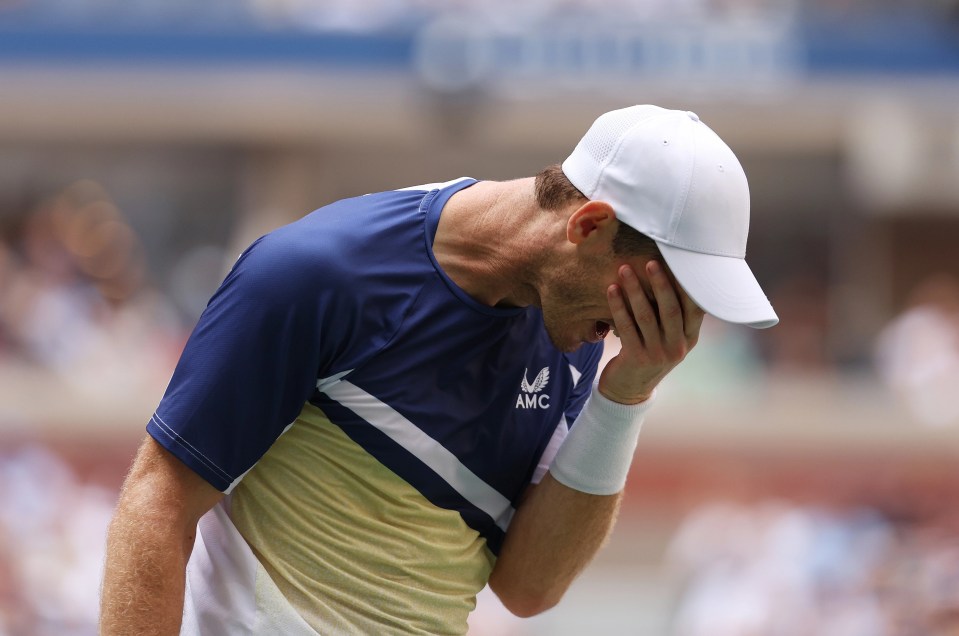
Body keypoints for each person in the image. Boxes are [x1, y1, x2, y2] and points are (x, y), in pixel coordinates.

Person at [100, 105, 778, 635]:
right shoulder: (319, 275)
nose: (661, 319)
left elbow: (529, 589)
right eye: (657, 290)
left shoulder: (574, 334)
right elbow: (157, 500)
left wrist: (625, 396)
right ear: (588, 225)